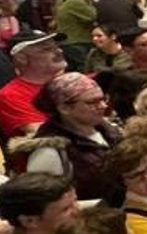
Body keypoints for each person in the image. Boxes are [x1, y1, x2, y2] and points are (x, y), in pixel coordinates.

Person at [19, 71, 125, 199]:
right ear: (64, 108)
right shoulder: (49, 152)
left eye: (103, 99)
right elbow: (46, 204)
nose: (103, 106)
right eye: (92, 102)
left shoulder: (112, 131)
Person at [0, 28, 67, 140]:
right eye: (46, 49)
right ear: (22, 58)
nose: (59, 51)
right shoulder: (11, 96)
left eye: (56, 46)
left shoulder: (69, 82)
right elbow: (46, 136)